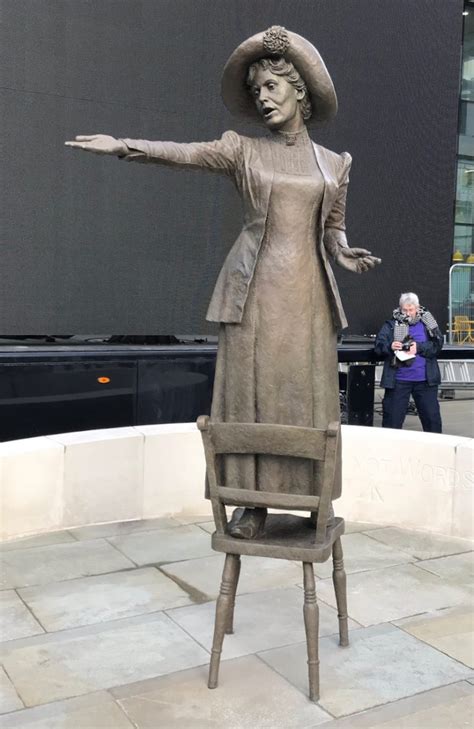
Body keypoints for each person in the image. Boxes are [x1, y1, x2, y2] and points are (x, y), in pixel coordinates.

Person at [66, 26, 381, 538]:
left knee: (305, 398)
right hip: (254, 292)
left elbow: (332, 225)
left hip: (309, 298)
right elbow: (185, 153)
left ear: (299, 91)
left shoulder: (334, 163)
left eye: (272, 87)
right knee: (250, 395)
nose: (262, 99)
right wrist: (124, 145)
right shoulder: (242, 151)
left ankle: (311, 497)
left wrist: (343, 252)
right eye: (256, 91)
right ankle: (249, 503)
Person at [374, 292, 443, 433]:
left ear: (417, 308)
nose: (408, 313)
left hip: (425, 381)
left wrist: (419, 347)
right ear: (400, 308)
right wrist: (390, 346)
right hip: (398, 381)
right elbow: (379, 346)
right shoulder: (391, 324)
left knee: (432, 421)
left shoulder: (428, 323)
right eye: (404, 310)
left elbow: (438, 344)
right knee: (391, 423)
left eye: (411, 310)